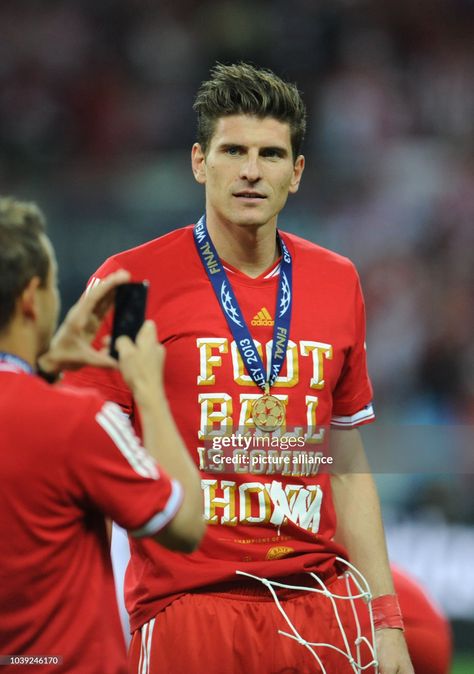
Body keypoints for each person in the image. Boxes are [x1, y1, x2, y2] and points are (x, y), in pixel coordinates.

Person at [65, 63, 414, 673]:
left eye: (272, 154)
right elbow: (79, 449)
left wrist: (385, 621)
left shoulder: (338, 282)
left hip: (320, 609)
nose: (252, 171)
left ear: (296, 173)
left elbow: (348, 464)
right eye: (233, 150)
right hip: (188, 607)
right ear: (200, 162)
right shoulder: (131, 284)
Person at [0, 197, 204, 674]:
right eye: (53, 285)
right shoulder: (77, 420)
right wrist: (149, 390)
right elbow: (187, 522)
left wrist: (46, 367)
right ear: (32, 298)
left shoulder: (52, 403)